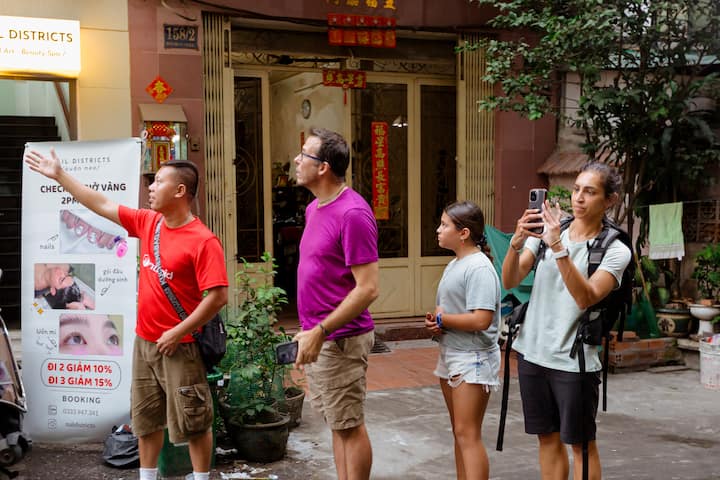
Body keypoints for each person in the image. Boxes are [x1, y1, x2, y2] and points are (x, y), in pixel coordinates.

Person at [25, 149, 228, 480]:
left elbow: (218, 296)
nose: (151, 187)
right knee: (146, 420)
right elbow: (101, 204)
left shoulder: (203, 241)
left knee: (194, 421)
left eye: (158, 181)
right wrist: (59, 175)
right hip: (145, 343)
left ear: (180, 191)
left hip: (181, 347)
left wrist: (178, 331)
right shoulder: (150, 223)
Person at [501, 162, 631, 480]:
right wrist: (516, 243)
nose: (579, 198)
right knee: (546, 438)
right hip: (532, 354)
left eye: (590, 192)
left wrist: (558, 247)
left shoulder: (615, 250)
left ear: (610, 200)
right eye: (576, 189)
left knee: (581, 446)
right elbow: (510, 279)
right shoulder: (551, 230)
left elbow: (586, 297)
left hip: (574, 362)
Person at [292, 128, 379, 480]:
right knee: (337, 423)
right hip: (319, 337)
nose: (297, 160)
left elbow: (368, 288)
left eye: (304, 154)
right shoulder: (314, 208)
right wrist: (311, 332)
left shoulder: (353, 213)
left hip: (340, 339)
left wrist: (322, 330)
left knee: (349, 425)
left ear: (323, 167)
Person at [424, 200, 500, 480]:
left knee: (467, 433)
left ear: (464, 233)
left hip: (473, 358)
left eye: (445, 225)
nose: (438, 229)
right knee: (460, 432)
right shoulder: (455, 264)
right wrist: (436, 323)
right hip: (452, 353)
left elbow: (481, 320)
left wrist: (443, 320)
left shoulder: (478, 268)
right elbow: (445, 309)